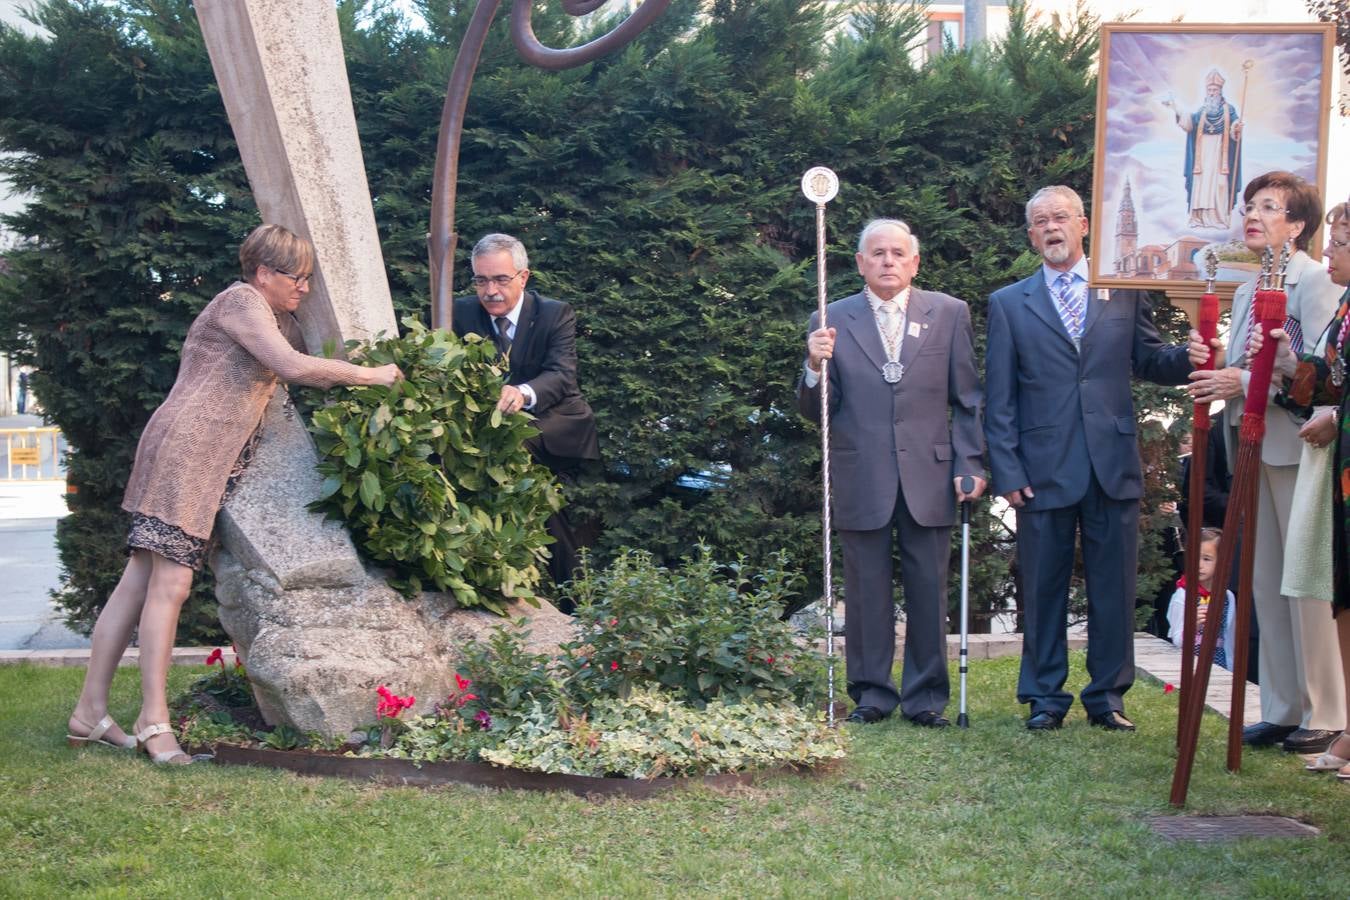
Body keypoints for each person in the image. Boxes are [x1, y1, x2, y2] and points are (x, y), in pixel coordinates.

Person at [66, 224, 402, 764]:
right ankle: (154, 724)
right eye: (297, 278)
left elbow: (293, 347)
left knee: (139, 582)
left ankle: (89, 712)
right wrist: (374, 374)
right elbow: (292, 366)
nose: (305, 289)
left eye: (310, 279)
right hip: (188, 452)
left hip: (189, 450)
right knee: (169, 586)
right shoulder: (240, 301)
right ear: (264, 272)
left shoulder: (268, 313)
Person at [984, 185, 1199, 732]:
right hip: (1041, 469)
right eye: (1040, 221)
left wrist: (1192, 355)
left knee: (1112, 588)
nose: (1051, 228)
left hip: (1111, 461)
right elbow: (1000, 397)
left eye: (1061, 217)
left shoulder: (1122, 289)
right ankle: (1044, 698)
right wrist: (1006, 470)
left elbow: (1151, 360)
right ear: (1031, 235)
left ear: (1083, 225)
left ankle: (1107, 697)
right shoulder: (1009, 303)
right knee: (1043, 588)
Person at [798, 218, 984, 727]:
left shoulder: (949, 313)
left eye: (898, 253)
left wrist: (970, 462)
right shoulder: (830, 318)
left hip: (931, 473)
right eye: (877, 253)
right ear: (860, 263)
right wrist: (814, 368)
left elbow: (967, 399)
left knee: (929, 587)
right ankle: (873, 694)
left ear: (915, 262)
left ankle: (925, 698)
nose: (887, 262)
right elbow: (814, 412)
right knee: (865, 591)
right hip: (863, 474)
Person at [1188, 171, 1343, 754]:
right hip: (1252, 441)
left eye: (1269, 207)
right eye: (1249, 205)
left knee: (1306, 582)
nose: (1252, 215)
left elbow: (1318, 369)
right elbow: (1246, 360)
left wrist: (1245, 377)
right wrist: (1215, 364)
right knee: (1265, 579)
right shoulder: (1251, 287)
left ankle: (1325, 708)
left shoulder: (1316, 280)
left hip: (1300, 442)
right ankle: (1282, 706)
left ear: (1298, 225)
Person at [1255, 195, 1350, 773]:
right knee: (1343, 595)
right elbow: (1328, 378)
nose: (1330, 251)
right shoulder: (1346, 309)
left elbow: (1340, 402)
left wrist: (1339, 418)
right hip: (1342, 474)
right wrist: (1292, 364)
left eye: (1339, 243)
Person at [451, 233, 601, 599]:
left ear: (523, 277)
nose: (490, 291)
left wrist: (522, 392)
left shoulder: (555, 313)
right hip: (495, 430)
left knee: (514, 449)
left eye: (501, 279)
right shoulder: (459, 313)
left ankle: (573, 598)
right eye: (481, 280)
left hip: (555, 423)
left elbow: (562, 376)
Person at [1164, 69, 1243, 229]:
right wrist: (1175, 108)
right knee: (1201, 186)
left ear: (1220, 91)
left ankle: (1219, 219)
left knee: (1219, 185)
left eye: (1215, 90)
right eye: (1210, 90)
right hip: (1202, 158)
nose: (1212, 93)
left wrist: (1237, 127)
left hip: (1221, 157)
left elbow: (1234, 129)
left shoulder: (1229, 110)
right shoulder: (1203, 110)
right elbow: (1189, 124)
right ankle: (1198, 219)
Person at [1168, 527, 1236, 672]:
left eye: (1207, 559)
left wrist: (1231, 670)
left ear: (1222, 561)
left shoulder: (1227, 597)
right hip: (1190, 665)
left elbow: (1229, 639)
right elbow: (1176, 640)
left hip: (1220, 665)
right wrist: (1193, 626)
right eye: (1195, 557)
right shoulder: (1183, 595)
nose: (1199, 565)